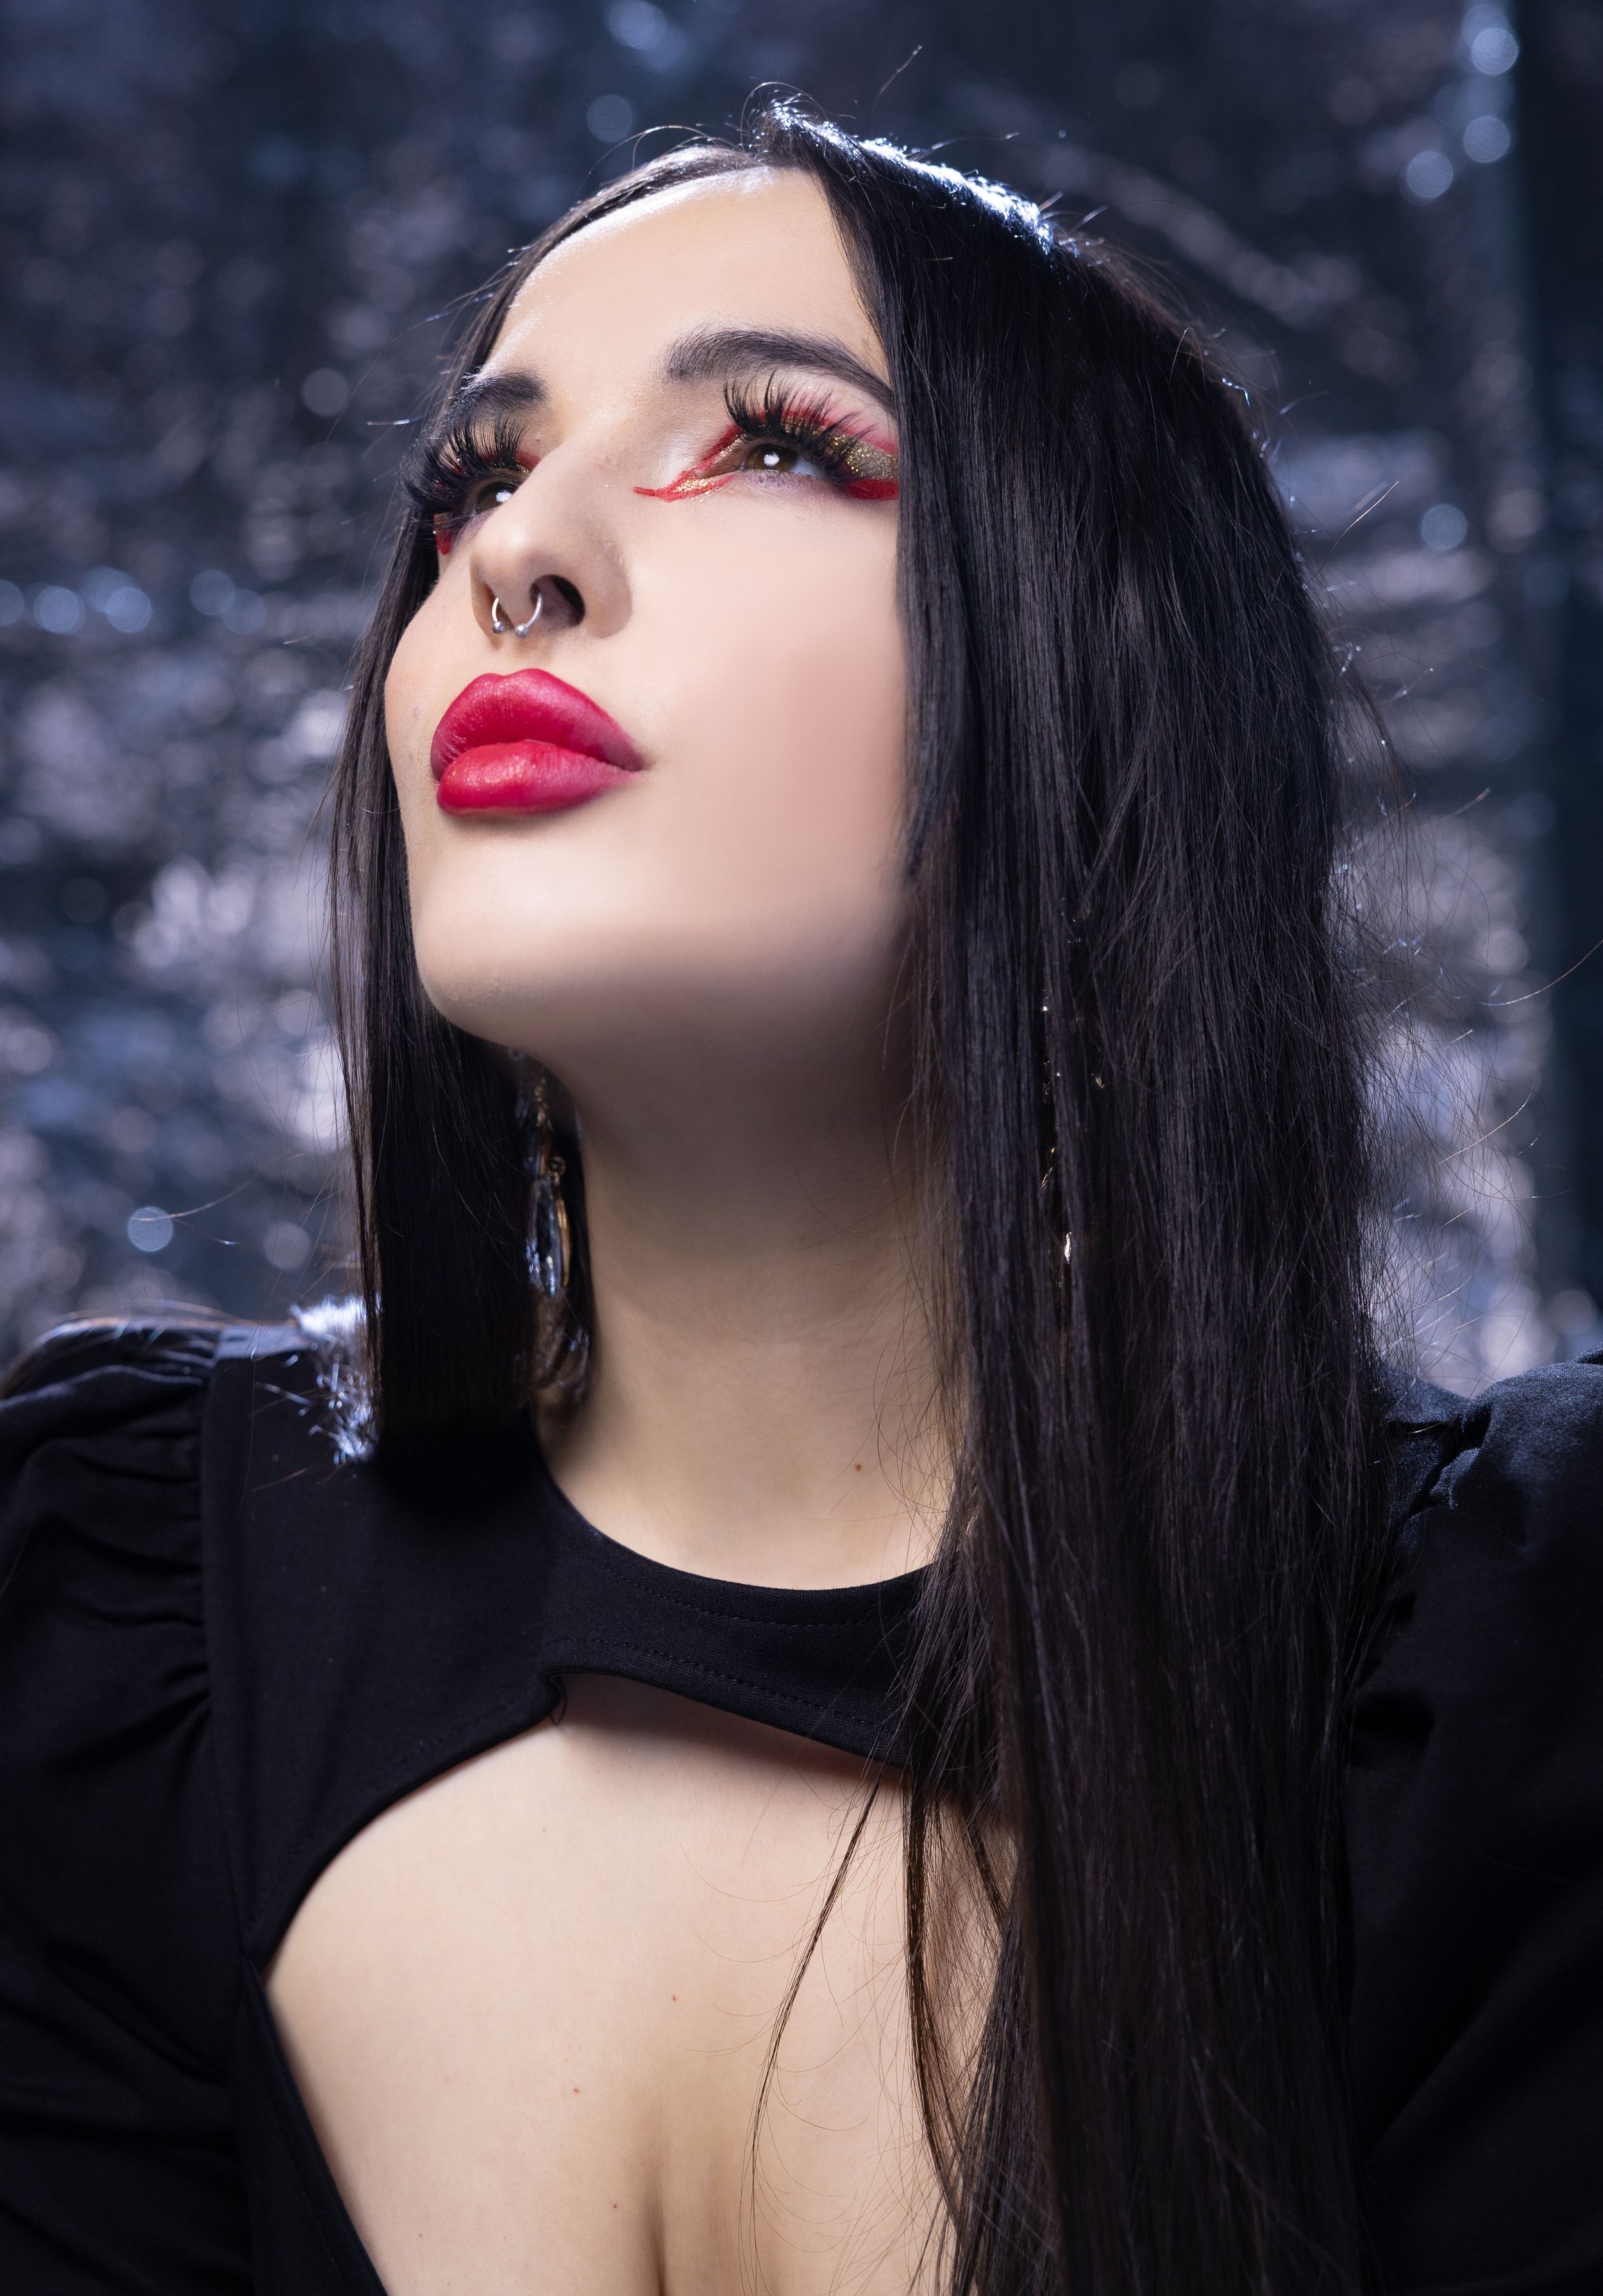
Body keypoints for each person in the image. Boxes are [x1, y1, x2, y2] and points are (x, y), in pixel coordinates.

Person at [1, 101, 1600, 2296]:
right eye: (473, 476)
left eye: (768, 443)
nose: (517, 553)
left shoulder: (1498, 1699)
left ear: (1096, 673)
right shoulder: (97, 1636)